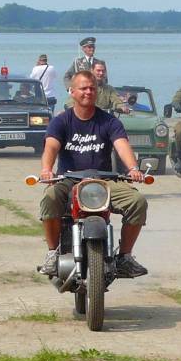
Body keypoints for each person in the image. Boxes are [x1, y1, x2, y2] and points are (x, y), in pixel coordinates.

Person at [37, 70, 149, 279]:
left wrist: (133, 169)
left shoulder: (109, 122)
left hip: (103, 180)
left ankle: (124, 257)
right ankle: (52, 254)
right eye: (83, 88)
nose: (88, 92)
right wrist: (46, 170)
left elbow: (122, 145)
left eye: (92, 88)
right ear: (72, 92)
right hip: (69, 180)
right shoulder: (61, 121)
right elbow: (51, 147)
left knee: (137, 201)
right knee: (49, 197)